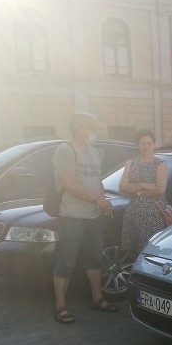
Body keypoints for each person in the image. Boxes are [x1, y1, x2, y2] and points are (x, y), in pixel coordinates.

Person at [52, 112, 118, 324]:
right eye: (91, 127)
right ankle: (60, 306)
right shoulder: (65, 150)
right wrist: (95, 200)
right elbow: (69, 183)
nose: (94, 131)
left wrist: (103, 199)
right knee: (67, 262)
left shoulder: (94, 152)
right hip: (71, 216)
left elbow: (96, 180)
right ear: (79, 128)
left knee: (95, 259)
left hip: (93, 216)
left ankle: (97, 299)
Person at [119, 129, 170, 256]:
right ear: (137, 145)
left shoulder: (160, 164)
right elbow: (122, 187)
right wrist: (143, 185)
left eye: (149, 143)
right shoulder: (131, 163)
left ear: (154, 145)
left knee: (152, 251)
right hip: (133, 215)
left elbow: (159, 190)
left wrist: (136, 192)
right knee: (133, 253)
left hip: (154, 215)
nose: (146, 146)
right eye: (143, 143)